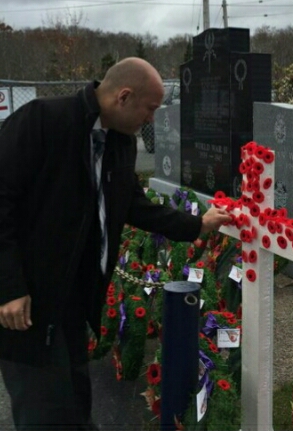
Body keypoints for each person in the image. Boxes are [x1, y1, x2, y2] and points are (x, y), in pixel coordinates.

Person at [0, 57, 231, 430]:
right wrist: (9, 287)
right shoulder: (43, 121)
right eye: (150, 108)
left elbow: (134, 206)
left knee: (76, 403)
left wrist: (198, 224)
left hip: (73, 301)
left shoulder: (119, 143)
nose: (152, 118)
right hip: (28, 305)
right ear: (123, 96)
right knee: (44, 411)